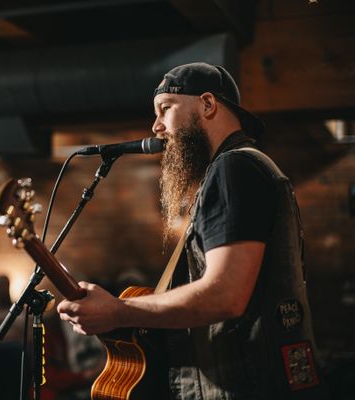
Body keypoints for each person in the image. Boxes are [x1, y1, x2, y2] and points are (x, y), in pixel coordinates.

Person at [57, 62, 326, 399]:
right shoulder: (249, 166)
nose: (155, 126)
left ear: (208, 104)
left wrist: (118, 312)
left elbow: (225, 296)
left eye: (165, 108)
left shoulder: (233, 169)